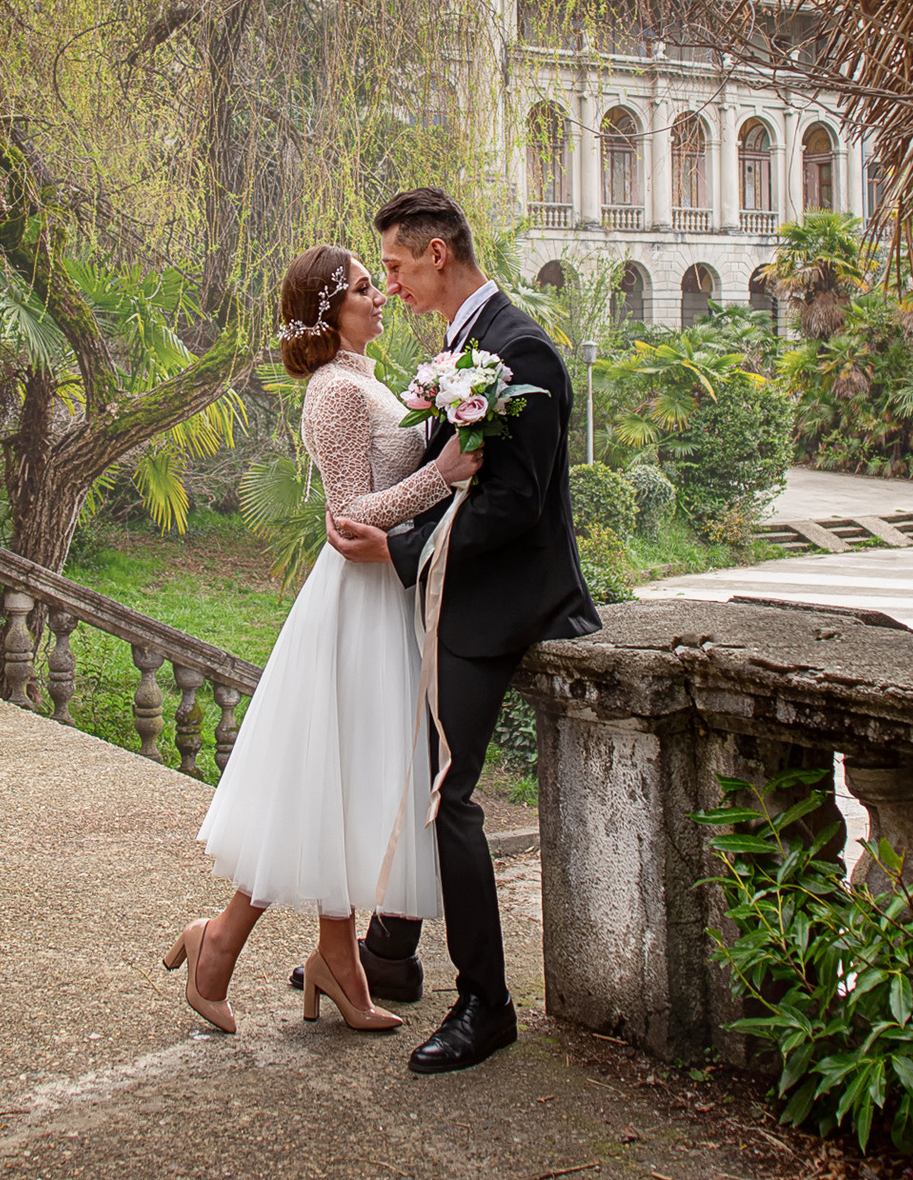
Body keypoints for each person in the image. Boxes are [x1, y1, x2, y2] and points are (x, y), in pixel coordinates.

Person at [164, 244, 483, 1035]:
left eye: (378, 285)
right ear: (329, 309)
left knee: (338, 784)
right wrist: (443, 472)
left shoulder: (369, 379)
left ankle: (328, 962)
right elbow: (350, 512)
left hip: (385, 596)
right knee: (324, 780)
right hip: (354, 601)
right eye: (366, 288)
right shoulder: (334, 393)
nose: (383, 296)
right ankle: (227, 944)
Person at [327, 186, 599, 1076]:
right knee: (415, 773)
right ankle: (393, 955)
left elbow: (518, 507)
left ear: (438, 254)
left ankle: (488, 1002)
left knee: (446, 794)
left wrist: (400, 551)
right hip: (454, 592)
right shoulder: (461, 347)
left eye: (398, 267)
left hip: (504, 603)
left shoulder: (523, 353)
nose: (393, 286)